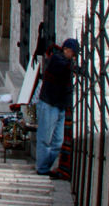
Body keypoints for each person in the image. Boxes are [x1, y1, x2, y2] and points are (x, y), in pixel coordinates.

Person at [35, 38, 81, 177]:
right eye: (72, 54)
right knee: (45, 139)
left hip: (60, 105)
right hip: (49, 104)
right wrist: (73, 69)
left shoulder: (66, 62)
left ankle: (45, 167)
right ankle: (42, 169)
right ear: (66, 50)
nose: (73, 57)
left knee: (58, 142)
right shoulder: (57, 59)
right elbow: (63, 67)